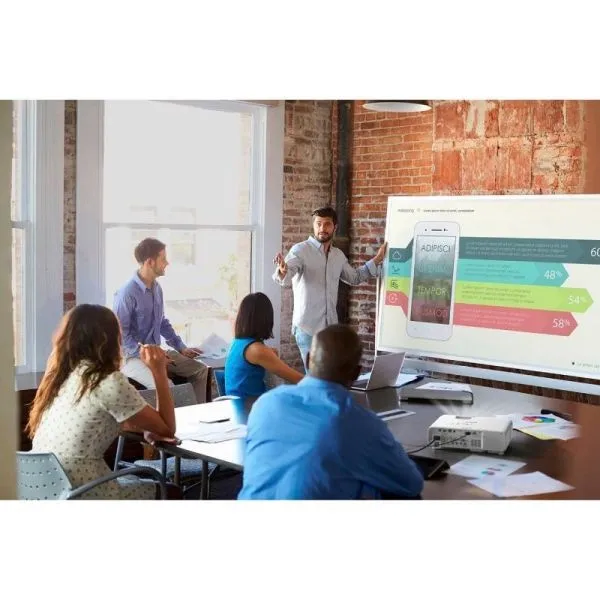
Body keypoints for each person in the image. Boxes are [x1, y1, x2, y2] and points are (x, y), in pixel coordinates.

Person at [238, 324, 424, 500]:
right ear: (356, 373)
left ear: (308, 359)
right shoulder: (357, 423)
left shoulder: (266, 403)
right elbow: (411, 484)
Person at [28, 304, 179, 500]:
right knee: (172, 491)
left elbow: (95, 420)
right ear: (111, 340)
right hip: (82, 489)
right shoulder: (107, 381)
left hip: (42, 486)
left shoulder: (61, 378)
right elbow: (168, 429)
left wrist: (146, 428)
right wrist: (158, 371)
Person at [273, 206, 387, 370]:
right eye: (318, 224)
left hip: (330, 328)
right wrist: (283, 271)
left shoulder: (338, 255)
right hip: (307, 328)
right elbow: (287, 273)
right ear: (313, 225)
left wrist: (377, 259)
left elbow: (354, 278)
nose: (322, 228)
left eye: (327, 224)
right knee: (315, 375)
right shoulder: (301, 250)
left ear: (335, 227)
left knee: (330, 373)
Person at [113, 237, 209, 403]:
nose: (167, 263)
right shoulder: (126, 293)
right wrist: (152, 355)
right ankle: (175, 419)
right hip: (131, 358)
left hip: (156, 352)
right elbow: (122, 337)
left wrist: (181, 347)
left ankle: (197, 412)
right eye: (163, 258)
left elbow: (162, 322)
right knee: (168, 387)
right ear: (150, 262)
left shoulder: (157, 288)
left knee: (201, 370)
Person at [225, 292, 303, 398]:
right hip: (247, 405)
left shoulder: (238, 342)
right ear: (266, 318)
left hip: (235, 403)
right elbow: (295, 378)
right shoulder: (257, 350)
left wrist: (270, 353)